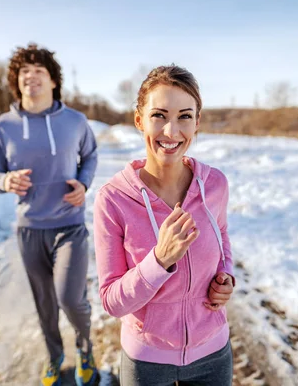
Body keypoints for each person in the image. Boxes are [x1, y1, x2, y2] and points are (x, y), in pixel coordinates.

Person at [93, 65, 235, 385]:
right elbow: (112, 301)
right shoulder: (113, 199)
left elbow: (222, 234)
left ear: (197, 122)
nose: (172, 132)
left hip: (213, 353)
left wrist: (226, 274)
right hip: (146, 361)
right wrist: (159, 261)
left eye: (185, 116)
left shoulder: (214, 184)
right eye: (159, 115)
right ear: (139, 120)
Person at [0, 43, 99, 386]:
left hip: (70, 225)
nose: (30, 77)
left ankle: (86, 348)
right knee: (44, 303)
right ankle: (54, 356)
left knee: (70, 299)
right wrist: (6, 181)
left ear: (53, 81)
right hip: (30, 229)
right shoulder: (1, 127)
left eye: (39, 71)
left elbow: (90, 156)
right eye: (24, 72)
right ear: (16, 82)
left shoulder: (75, 121)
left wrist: (84, 183)